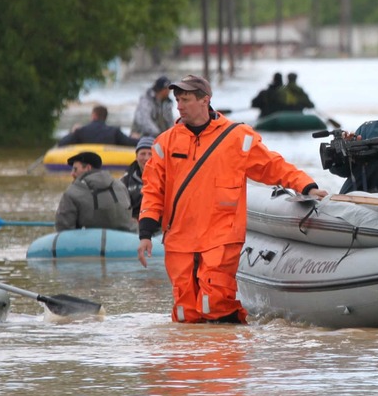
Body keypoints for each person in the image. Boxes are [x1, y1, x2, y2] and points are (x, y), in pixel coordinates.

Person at [136, 74, 329, 324]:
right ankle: (187, 360)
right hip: (179, 239)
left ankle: (225, 357)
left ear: (205, 100)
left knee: (215, 302)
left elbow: (273, 166)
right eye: (177, 100)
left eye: (185, 99)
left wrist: (307, 186)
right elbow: (153, 190)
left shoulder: (237, 138)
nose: (179, 106)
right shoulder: (165, 142)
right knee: (185, 311)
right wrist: (145, 234)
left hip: (220, 236)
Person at [54, 151, 133, 232]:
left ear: (88, 168)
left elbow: (63, 228)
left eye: (75, 169)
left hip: (90, 242)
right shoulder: (121, 186)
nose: (72, 173)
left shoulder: (73, 191)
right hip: (124, 240)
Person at [57, 105, 140, 147]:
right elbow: (130, 143)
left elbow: (62, 143)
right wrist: (134, 137)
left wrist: (73, 131)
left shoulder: (81, 131)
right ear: (105, 117)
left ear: (94, 115)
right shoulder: (114, 131)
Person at [121, 136, 154, 220]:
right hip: (133, 226)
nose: (146, 158)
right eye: (143, 154)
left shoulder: (165, 178)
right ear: (136, 156)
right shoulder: (125, 180)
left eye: (150, 154)